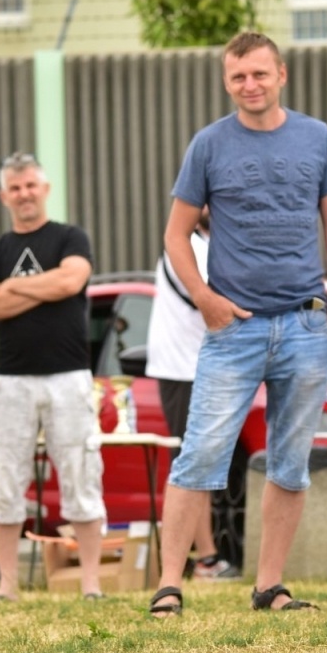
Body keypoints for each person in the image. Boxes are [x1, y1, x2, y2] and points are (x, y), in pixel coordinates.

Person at [150, 32, 327, 618]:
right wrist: (203, 298)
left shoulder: (316, 138)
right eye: (238, 77)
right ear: (227, 83)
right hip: (233, 330)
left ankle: (269, 587)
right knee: (200, 455)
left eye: (259, 75)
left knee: (290, 463)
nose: (250, 85)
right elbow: (176, 234)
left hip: (304, 327)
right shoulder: (209, 145)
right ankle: (169, 586)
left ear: (282, 75)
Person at [0, 150, 106, 601]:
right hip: (11, 382)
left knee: (81, 474)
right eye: (15, 187)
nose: (24, 194)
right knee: (6, 479)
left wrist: (12, 287)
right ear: (3, 196)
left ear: (44, 189)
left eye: (30, 185)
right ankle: (7, 585)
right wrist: (42, 287)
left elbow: (72, 282)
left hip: (69, 377)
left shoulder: (71, 237)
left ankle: (91, 584)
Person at [144, 207, 238, 580]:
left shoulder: (213, 247)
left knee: (204, 461)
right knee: (195, 462)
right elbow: (224, 300)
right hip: (183, 371)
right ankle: (206, 560)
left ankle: (205, 558)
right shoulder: (189, 248)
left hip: (204, 368)